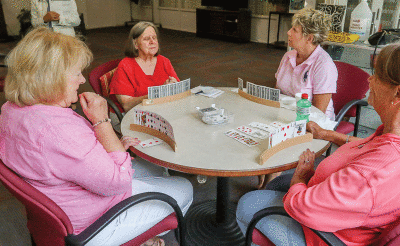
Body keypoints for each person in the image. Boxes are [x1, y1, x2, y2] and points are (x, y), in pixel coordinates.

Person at [0, 27, 193, 246]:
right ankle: (141, 238)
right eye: (76, 73)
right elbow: (118, 182)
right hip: (92, 223)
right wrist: (102, 122)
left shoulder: (10, 109)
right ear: (51, 78)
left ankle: (143, 230)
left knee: (157, 169)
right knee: (184, 188)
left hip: (59, 201)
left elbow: (64, 156)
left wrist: (113, 146)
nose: (82, 80)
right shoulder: (58, 131)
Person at [237, 43, 400, 245]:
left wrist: (300, 178)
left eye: (377, 75)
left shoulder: (373, 173)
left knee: (247, 203)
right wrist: (329, 135)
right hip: (335, 209)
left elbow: (304, 206)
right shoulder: (390, 135)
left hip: (329, 235)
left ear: (397, 93)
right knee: (278, 183)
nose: (370, 78)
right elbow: (367, 146)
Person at [258, 8, 338, 189]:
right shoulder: (288, 56)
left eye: (294, 30)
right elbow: (277, 91)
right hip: (287, 114)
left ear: (309, 37)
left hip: (311, 121)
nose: (288, 32)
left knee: (277, 141)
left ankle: (268, 184)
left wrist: (287, 123)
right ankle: (263, 174)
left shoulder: (324, 65)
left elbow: (319, 112)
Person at [109, 21, 179, 113]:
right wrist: (158, 93)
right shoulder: (125, 65)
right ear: (135, 44)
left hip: (158, 110)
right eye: (146, 39)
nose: (152, 42)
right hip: (130, 115)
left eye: (154, 38)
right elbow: (127, 105)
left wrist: (175, 87)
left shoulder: (164, 61)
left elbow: (178, 91)